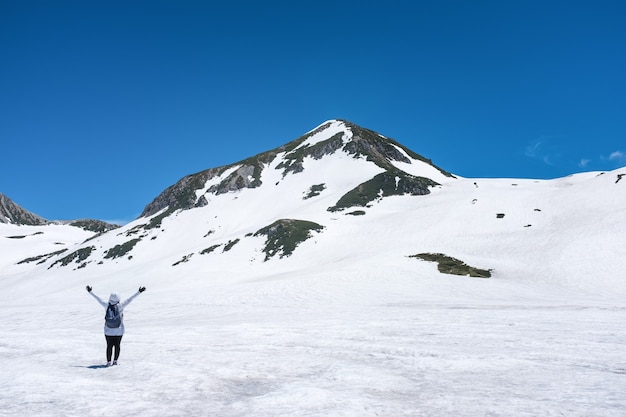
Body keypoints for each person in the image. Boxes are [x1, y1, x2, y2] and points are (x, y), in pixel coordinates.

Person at [86, 285, 146, 366]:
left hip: (108, 330)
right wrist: (139, 292)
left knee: (109, 346)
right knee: (117, 345)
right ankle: (115, 361)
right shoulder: (121, 305)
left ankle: (108, 362)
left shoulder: (106, 305)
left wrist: (90, 292)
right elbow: (130, 299)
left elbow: (98, 299)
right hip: (119, 330)